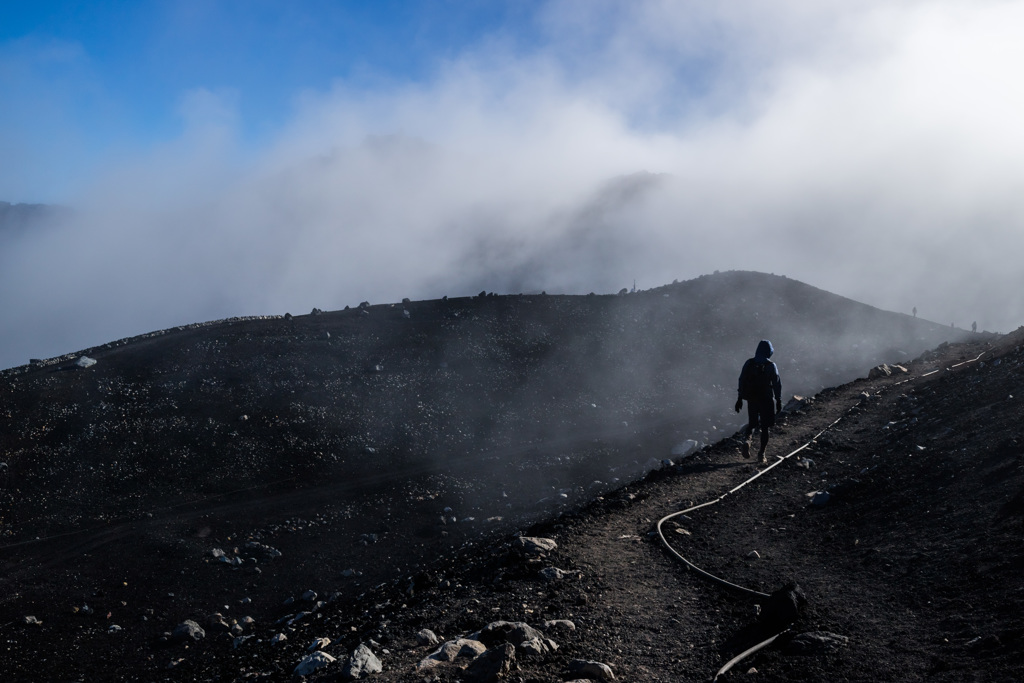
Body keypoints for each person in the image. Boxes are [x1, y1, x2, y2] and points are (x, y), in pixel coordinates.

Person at [735, 340, 783, 464]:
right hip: (766, 399)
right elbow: (777, 384)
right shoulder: (771, 366)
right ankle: (761, 454)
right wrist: (778, 400)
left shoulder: (749, 363)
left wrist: (739, 398)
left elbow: (741, 380)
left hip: (751, 398)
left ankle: (747, 441)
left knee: (752, 423)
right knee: (765, 427)